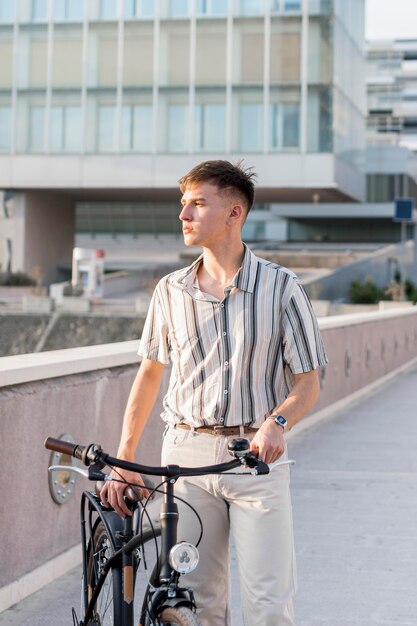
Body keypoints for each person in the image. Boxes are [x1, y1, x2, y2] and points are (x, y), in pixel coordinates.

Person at [101, 160, 328, 626]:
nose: (184, 215)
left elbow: (308, 383)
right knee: (197, 605)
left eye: (198, 203)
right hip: (184, 457)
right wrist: (125, 459)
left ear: (234, 213)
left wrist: (277, 422)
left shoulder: (283, 288)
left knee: (268, 604)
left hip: (255, 460)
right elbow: (149, 377)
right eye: (183, 204)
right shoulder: (169, 291)